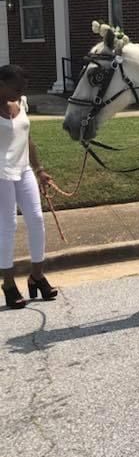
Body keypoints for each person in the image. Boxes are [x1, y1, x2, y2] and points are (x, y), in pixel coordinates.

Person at [0, 64, 57, 309]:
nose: (20, 91)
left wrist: (40, 170)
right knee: (8, 226)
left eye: (23, 88)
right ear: (1, 84)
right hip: (1, 174)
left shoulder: (21, 103)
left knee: (36, 219)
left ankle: (37, 275)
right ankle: (9, 284)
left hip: (23, 170)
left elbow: (28, 139)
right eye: (16, 87)